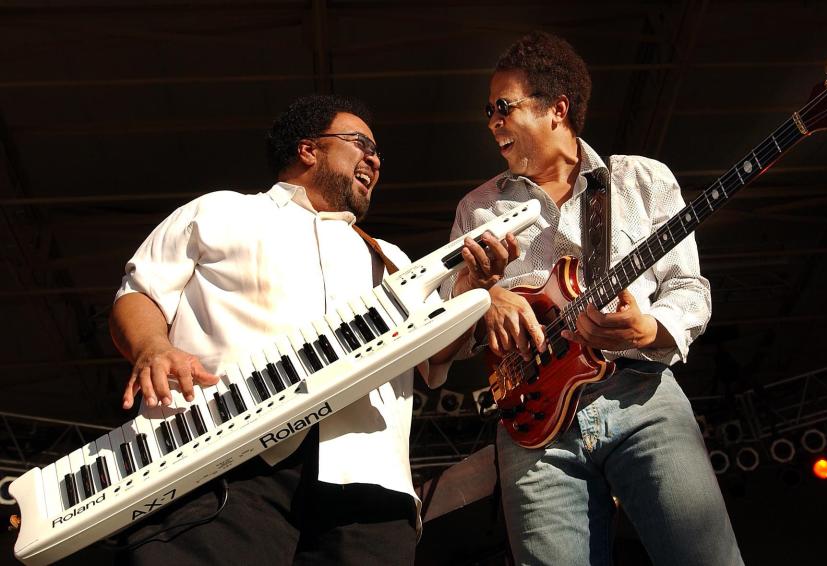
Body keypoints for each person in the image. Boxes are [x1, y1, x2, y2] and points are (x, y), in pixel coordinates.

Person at [108, 94, 509, 565]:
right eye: (361, 143)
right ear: (308, 149)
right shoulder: (220, 212)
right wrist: (153, 346)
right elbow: (139, 294)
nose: (375, 160)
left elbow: (434, 359)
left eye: (379, 152)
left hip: (369, 483)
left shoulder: (392, 259)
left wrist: (471, 287)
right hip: (224, 463)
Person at [443, 32, 744, 565]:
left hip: (642, 395)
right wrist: (484, 297)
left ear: (556, 109)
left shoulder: (640, 179)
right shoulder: (477, 208)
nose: (491, 122)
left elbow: (688, 287)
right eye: (488, 110)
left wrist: (652, 329)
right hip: (532, 426)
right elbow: (447, 321)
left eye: (504, 107)